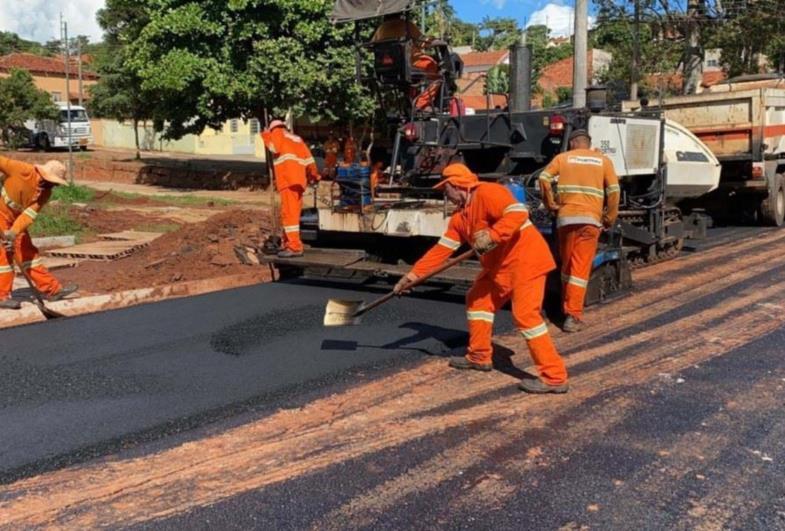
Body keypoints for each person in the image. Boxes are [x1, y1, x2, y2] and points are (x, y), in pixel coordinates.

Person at [394, 163, 569, 394]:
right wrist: (413, 275)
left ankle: (554, 377)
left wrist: (494, 235)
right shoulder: (460, 217)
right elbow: (442, 250)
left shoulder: (489, 192)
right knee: (477, 300)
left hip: (526, 262)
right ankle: (479, 356)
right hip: (499, 268)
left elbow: (518, 213)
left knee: (526, 316)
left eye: (445, 189)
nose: (444, 194)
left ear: (456, 185)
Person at [538, 129, 620, 333]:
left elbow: (543, 178)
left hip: (566, 220)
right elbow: (614, 191)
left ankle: (562, 307)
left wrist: (551, 204)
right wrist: (609, 218)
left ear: (573, 143)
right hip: (590, 221)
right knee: (580, 270)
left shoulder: (562, 158)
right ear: (588, 143)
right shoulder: (603, 160)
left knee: (567, 266)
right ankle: (572, 316)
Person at [0, 157, 78, 310]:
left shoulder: (45, 193)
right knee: (4, 255)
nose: (54, 185)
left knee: (28, 253)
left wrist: (13, 232)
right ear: (43, 174)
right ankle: (2, 297)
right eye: (53, 181)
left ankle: (52, 290)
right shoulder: (21, 169)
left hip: (16, 218)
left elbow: (28, 214)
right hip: (0, 212)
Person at [261, 120, 320, 258]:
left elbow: (273, 147)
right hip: (299, 181)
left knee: (289, 215)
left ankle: (294, 247)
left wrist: (265, 134)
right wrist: (314, 176)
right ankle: (288, 243)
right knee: (293, 214)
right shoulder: (297, 139)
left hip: (287, 180)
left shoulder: (277, 133)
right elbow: (310, 160)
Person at [371, 13, 441, 111]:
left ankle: (411, 100)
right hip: (408, 62)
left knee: (415, 75)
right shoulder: (407, 25)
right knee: (434, 69)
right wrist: (434, 40)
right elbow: (422, 42)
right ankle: (421, 104)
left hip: (386, 68)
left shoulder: (381, 28)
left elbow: (372, 45)